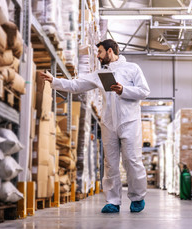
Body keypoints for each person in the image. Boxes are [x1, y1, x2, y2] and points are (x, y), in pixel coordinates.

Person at [41, 39, 150, 213]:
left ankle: (137, 198)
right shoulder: (100, 73)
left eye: (100, 52)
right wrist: (54, 81)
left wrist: (124, 90)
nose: (98, 56)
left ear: (110, 51)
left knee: (132, 160)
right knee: (110, 163)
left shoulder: (132, 68)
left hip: (129, 121)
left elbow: (144, 91)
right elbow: (76, 85)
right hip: (108, 123)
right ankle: (113, 201)